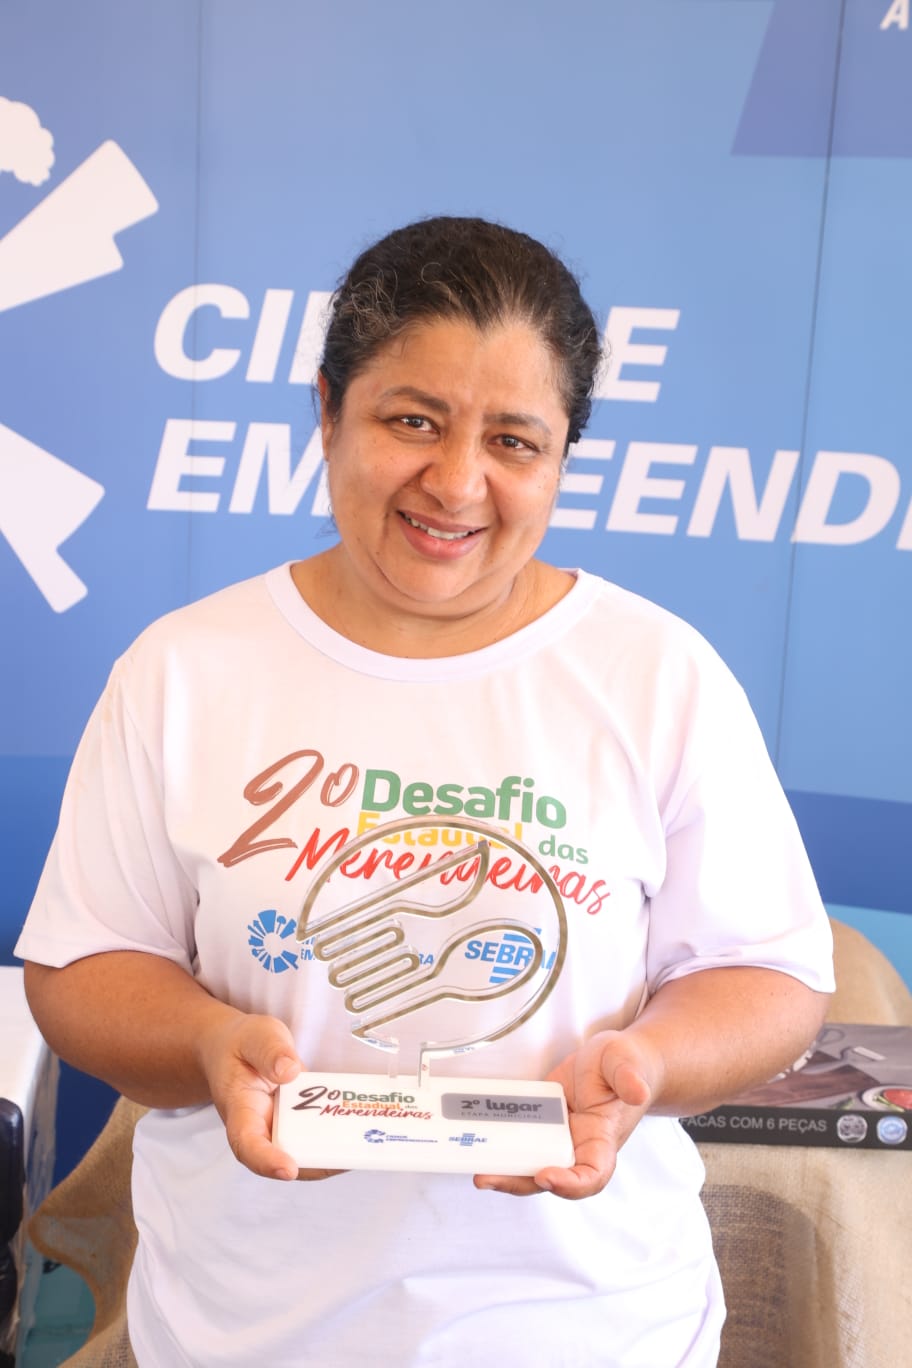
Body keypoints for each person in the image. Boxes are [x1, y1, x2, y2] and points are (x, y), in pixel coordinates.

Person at [17, 216, 834, 1367]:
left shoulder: (658, 675)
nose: (455, 483)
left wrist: (647, 1065)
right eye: (413, 421)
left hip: (589, 1328)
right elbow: (85, 966)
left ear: (563, 457)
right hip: (246, 1330)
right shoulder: (185, 670)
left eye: (514, 441)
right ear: (328, 411)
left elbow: (768, 976)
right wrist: (206, 1041)